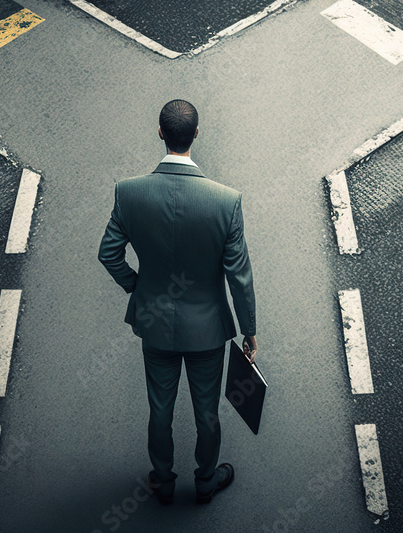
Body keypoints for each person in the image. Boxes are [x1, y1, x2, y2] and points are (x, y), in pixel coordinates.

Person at [98, 98, 257, 505]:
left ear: (159, 132)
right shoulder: (226, 201)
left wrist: (138, 286)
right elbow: (239, 276)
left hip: (154, 324)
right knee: (207, 413)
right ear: (197, 135)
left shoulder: (129, 192)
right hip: (207, 331)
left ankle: (162, 480)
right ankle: (205, 480)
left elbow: (109, 254)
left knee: (160, 409)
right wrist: (249, 331)